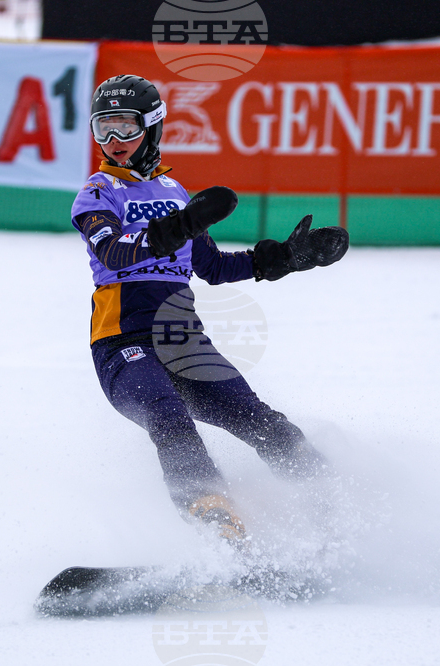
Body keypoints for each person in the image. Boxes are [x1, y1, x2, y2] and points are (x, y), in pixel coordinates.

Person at [71, 75, 349, 544]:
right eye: (103, 129)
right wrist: (180, 225)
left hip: (183, 342)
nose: (114, 142)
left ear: (153, 126)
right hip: (122, 345)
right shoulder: (97, 194)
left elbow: (214, 267)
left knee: (255, 417)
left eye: (125, 128)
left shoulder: (177, 193)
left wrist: (281, 258)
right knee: (167, 414)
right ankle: (215, 521)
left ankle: (339, 503)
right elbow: (115, 253)